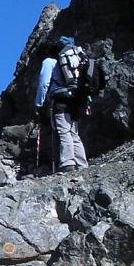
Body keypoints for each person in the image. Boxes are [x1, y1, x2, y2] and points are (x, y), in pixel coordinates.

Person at [35, 36, 92, 172]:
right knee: (74, 132)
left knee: (63, 131)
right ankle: (82, 164)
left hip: (60, 99)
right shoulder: (76, 60)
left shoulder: (49, 62)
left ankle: (68, 163)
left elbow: (44, 84)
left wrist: (39, 104)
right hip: (76, 99)